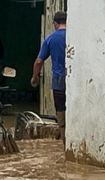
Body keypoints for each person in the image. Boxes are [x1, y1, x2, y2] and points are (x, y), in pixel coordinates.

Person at [32, 11, 66, 143]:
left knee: (61, 112)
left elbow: (39, 62)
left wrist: (34, 78)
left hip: (58, 80)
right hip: (74, 80)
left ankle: (63, 142)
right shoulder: (74, 36)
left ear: (55, 24)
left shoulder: (51, 39)